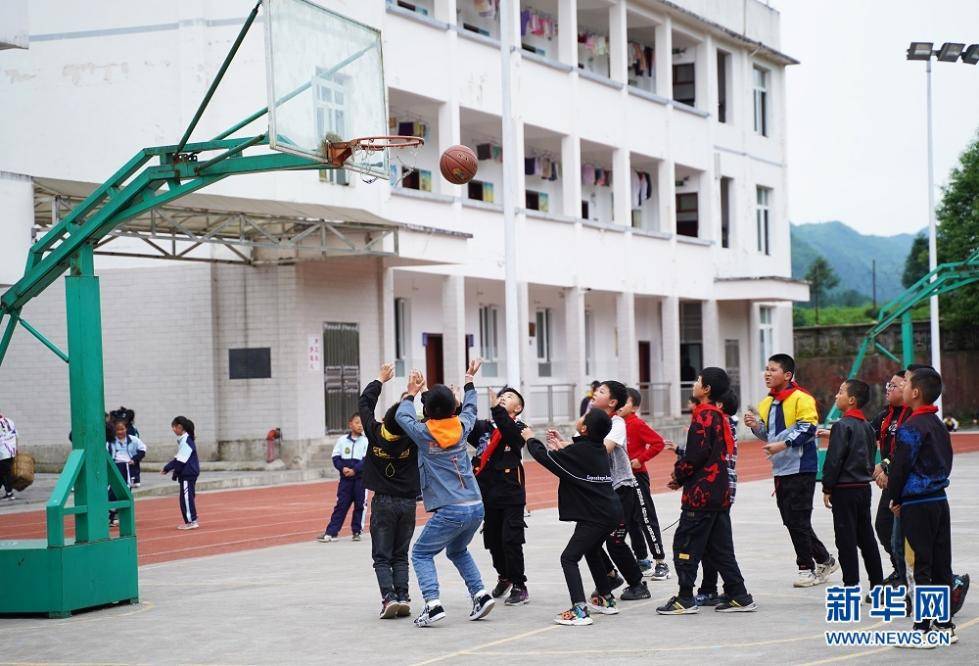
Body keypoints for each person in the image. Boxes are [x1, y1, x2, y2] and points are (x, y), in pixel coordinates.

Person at [396, 360, 495, 627]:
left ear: (427, 411)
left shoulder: (424, 433)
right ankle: (481, 594)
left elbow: (401, 417)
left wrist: (410, 393)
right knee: (457, 549)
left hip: (451, 508)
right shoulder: (462, 426)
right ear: (454, 408)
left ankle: (432, 603)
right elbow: (471, 407)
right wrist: (469, 380)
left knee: (420, 553)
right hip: (475, 504)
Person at [658, 367, 755, 615]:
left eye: (698, 381)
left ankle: (685, 597)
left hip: (702, 494)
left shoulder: (705, 416)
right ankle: (739, 594)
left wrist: (679, 474)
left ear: (707, 389)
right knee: (719, 547)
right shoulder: (718, 416)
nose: (695, 384)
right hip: (718, 493)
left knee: (686, 542)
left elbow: (697, 454)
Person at [743, 353, 837, 588]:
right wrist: (756, 427)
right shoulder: (767, 403)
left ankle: (806, 568)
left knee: (798, 519)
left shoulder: (801, 398)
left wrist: (782, 444)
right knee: (792, 520)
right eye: (766, 369)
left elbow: (808, 429)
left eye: (773, 370)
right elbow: (768, 435)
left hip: (802, 468)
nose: (767, 373)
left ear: (787, 375)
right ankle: (825, 559)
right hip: (781, 470)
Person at [524, 408, 621, 626]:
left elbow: (544, 458)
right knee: (592, 550)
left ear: (585, 428)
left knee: (569, 558)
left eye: (584, 417)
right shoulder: (596, 448)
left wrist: (530, 438)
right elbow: (576, 457)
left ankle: (579, 609)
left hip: (596, 515)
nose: (580, 418)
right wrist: (564, 447)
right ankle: (606, 598)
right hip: (609, 511)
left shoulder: (582, 451)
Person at [890, 367, 957, 646]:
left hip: (917, 503)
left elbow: (901, 467)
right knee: (941, 563)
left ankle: (923, 629)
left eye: (906, 385)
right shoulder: (938, 425)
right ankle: (945, 625)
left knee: (922, 565)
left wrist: (896, 497)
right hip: (939, 500)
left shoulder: (911, 428)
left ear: (915, 393)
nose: (902, 388)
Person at [359, 363, 418, 619]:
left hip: (383, 502)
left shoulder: (374, 433)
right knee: (400, 554)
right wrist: (414, 393)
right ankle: (403, 596)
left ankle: (388, 598)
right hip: (407, 503)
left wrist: (380, 380)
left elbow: (365, 403)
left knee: (381, 556)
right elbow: (432, 417)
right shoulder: (414, 437)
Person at [587, 380, 650, 603]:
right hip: (603, 493)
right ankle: (610, 577)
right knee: (588, 540)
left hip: (622, 490)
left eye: (601, 391)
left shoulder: (617, 423)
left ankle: (638, 584)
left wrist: (578, 446)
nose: (595, 393)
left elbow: (602, 449)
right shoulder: (593, 421)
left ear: (612, 402)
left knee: (615, 541)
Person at [819, 379, 884, 595]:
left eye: (840, 392)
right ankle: (877, 585)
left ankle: (851, 587)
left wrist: (827, 487)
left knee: (845, 539)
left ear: (852, 400)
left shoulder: (841, 425)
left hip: (844, 489)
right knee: (866, 538)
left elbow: (834, 459)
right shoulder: (867, 427)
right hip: (863, 488)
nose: (836, 396)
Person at [469, 385, 530, 606]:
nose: (504, 398)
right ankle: (504, 576)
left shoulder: (520, 427)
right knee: (493, 540)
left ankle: (519, 585)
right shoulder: (485, 427)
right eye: (502, 396)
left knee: (511, 539)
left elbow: (509, 433)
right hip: (487, 491)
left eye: (510, 396)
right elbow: (463, 425)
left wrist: (497, 410)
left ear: (519, 407)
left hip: (511, 493)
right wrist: (458, 403)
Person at [619, 387, 669, 580]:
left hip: (637, 477)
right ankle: (642, 561)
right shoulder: (616, 424)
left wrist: (641, 459)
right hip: (621, 480)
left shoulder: (636, 424)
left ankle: (661, 562)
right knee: (629, 521)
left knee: (646, 518)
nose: (621, 405)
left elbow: (658, 442)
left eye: (626, 401)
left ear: (635, 406)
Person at [696, 390, 740, 606]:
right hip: (722, 489)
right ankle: (720, 588)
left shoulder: (720, 424)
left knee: (713, 543)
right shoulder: (724, 423)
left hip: (717, 490)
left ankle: (713, 588)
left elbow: (703, 454)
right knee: (714, 542)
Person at [870, 371, 910, 585]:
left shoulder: (912, 416)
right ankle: (900, 571)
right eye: (889, 384)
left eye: (893, 385)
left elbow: (905, 450)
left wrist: (886, 466)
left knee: (905, 536)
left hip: (907, 483)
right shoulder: (886, 414)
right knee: (884, 527)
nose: (888, 388)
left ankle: (914, 578)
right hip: (892, 481)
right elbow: (867, 433)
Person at [318, 414, 369, 543]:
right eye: (357, 422)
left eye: (361, 423)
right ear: (350, 424)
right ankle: (331, 532)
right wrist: (343, 468)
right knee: (341, 505)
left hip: (360, 480)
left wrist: (354, 470)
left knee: (360, 505)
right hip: (345, 481)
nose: (360, 425)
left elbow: (366, 459)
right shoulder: (342, 440)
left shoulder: (366, 441)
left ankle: (356, 531)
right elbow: (335, 457)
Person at [162, 416, 201, 530]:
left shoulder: (186, 440)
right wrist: (167, 468)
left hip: (188, 473)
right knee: (187, 496)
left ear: (179, 427)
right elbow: (178, 458)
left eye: (173, 427)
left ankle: (191, 521)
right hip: (189, 472)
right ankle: (191, 518)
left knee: (186, 497)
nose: (173, 430)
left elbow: (181, 460)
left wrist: (174, 473)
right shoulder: (184, 439)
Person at [107, 418, 147, 527]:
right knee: (112, 492)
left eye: (122, 429)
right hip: (115, 467)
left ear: (126, 429)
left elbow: (143, 449)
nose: (120, 432)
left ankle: (123, 517)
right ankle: (111, 516)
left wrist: (135, 459)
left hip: (128, 468)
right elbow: (105, 454)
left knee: (125, 492)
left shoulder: (133, 439)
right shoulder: (110, 441)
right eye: (118, 430)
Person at [0, 411, 17, 500]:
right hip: (11, 451)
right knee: (5, 472)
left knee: (5, 473)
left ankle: (9, 493)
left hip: (2, 452)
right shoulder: (10, 421)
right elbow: (16, 435)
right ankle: (9, 492)